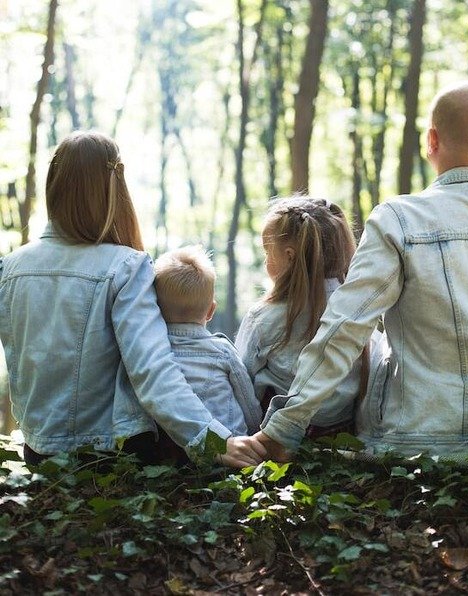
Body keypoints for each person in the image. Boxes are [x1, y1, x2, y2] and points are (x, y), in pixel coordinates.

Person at [253, 81, 468, 459]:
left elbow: (345, 328)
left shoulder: (399, 219)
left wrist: (284, 428)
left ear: (431, 140)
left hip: (415, 443)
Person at [0, 131, 266, 468]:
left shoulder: (9, 267)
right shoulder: (125, 266)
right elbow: (152, 370)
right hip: (109, 456)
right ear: (114, 189)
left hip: (38, 453)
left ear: (53, 183)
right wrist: (212, 440)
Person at [235, 196, 379, 436]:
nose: (265, 261)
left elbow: (242, 380)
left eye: (268, 252)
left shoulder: (263, 317)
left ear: (290, 256)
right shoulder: (358, 309)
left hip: (278, 436)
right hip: (342, 432)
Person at [153, 245, 262, 441]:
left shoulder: (151, 353)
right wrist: (255, 433)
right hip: (232, 444)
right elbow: (248, 402)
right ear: (211, 311)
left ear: (155, 308)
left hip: (175, 452)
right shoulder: (222, 351)